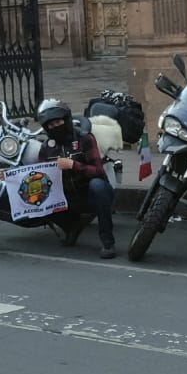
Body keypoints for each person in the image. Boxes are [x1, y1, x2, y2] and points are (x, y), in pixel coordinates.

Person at [37, 99, 116, 257]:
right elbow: (37, 176)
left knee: (98, 185)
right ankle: (71, 227)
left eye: (58, 122)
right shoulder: (47, 147)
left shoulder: (84, 138)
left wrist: (73, 165)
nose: (55, 127)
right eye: (51, 125)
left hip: (89, 195)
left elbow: (99, 172)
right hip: (67, 198)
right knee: (39, 195)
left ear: (65, 120)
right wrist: (9, 176)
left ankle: (108, 242)